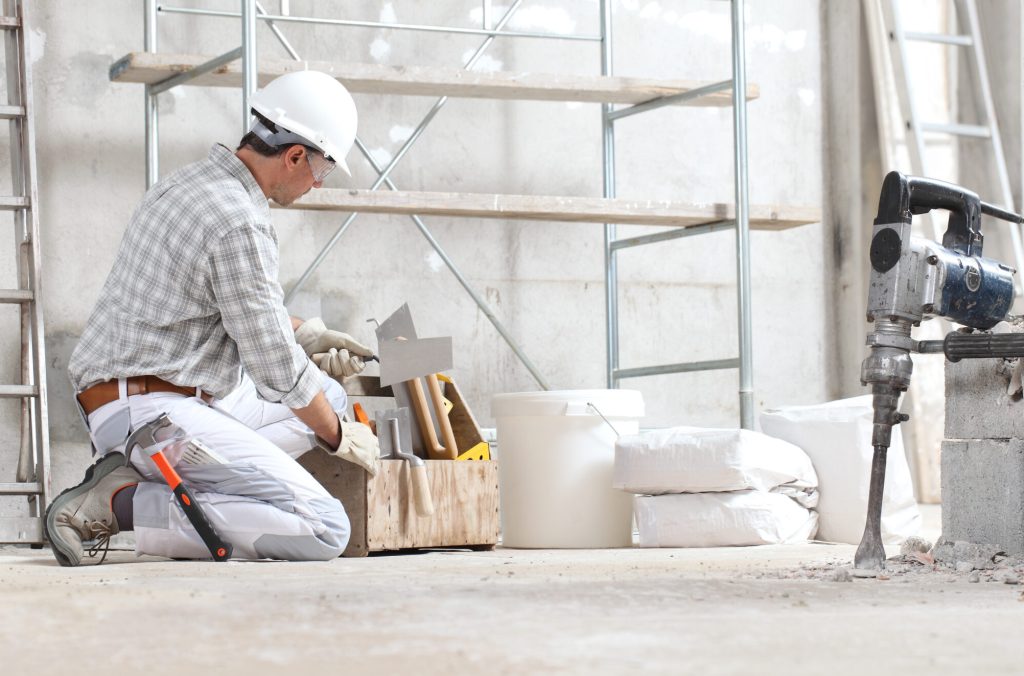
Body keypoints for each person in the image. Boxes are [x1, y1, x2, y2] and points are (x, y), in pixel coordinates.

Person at [45, 70, 379, 566]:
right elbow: (278, 373)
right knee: (325, 527)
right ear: (293, 156)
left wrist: (306, 335)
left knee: (325, 394)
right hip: (156, 415)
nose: (317, 184)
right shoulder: (239, 221)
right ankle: (123, 503)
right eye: (322, 170)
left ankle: (140, 477)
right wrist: (337, 435)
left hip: (143, 396)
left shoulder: (189, 184)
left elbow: (226, 305)